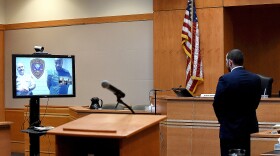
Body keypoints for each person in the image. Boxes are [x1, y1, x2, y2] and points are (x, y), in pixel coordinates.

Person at [213, 49, 262, 156]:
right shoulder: (256, 79)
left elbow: (217, 104)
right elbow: (256, 103)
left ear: (230, 62)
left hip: (229, 129)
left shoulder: (225, 79)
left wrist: (223, 120)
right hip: (249, 127)